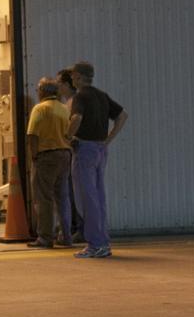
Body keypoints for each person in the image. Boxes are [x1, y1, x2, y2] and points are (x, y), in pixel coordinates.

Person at [66, 61, 128, 259]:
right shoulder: (102, 96)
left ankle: (96, 244)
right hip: (100, 149)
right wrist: (108, 139)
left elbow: (76, 118)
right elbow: (122, 116)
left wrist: (67, 136)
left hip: (84, 149)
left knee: (86, 199)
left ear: (78, 76)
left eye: (73, 75)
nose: (71, 79)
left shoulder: (80, 96)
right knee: (98, 198)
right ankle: (102, 241)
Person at [26, 77, 73, 249]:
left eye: (38, 90)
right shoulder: (64, 109)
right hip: (65, 154)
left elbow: (32, 135)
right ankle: (66, 236)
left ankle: (45, 237)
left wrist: (34, 156)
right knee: (62, 197)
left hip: (46, 156)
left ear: (42, 91)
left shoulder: (40, 109)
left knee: (43, 198)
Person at [57, 68, 84, 244]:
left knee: (77, 193)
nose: (57, 87)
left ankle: (81, 228)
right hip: (70, 153)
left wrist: (67, 137)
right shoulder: (67, 103)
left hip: (75, 152)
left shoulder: (74, 103)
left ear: (67, 84)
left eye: (59, 83)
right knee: (71, 193)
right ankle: (75, 227)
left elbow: (76, 122)